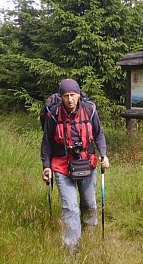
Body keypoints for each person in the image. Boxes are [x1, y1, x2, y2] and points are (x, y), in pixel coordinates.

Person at [41, 78, 110, 254]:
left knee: (89, 203)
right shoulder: (53, 114)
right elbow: (47, 142)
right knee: (70, 207)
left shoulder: (90, 110)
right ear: (61, 96)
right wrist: (46, 166)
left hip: (87, 162)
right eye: (66, 95)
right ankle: (72, 249)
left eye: (73, 95)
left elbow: (99, 134)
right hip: (62, 165)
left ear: (78, 95)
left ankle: (90, 235)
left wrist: (103, 154)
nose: (70, 99)